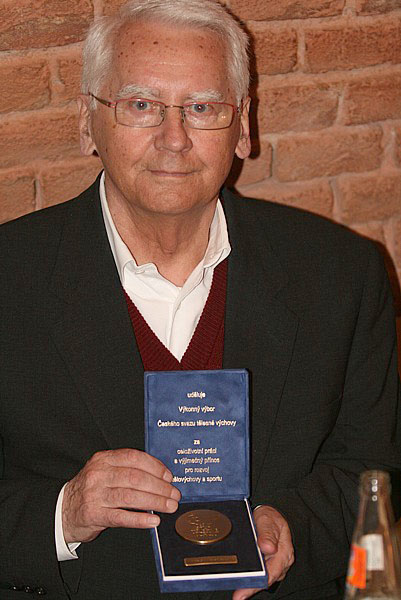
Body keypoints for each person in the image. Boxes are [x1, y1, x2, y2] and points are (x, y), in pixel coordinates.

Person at [0, 0, 400, 598]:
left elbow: (374, 470)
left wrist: (294, 526)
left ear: (243, 127)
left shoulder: (341, 274)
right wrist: (64, 513)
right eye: (141, 105)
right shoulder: (10, 279)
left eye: (203, 108)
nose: (174, 139)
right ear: (87, 123)